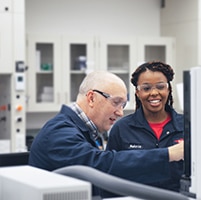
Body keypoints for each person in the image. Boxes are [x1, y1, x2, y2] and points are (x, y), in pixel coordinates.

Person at [28, 70, 183, 198]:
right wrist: (168, 154)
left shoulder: (86, 131)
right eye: (116, 102)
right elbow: (101, 166)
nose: (120, 112)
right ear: (91, 98)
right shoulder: (60, 133)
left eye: (123, 105)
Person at [106, 61, 184, 192]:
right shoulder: (122, 129)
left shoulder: (187, 126)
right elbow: (110, 172)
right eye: (146, 88)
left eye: (160, 86)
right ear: (137, 92)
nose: (154, 93)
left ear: (168, 89)